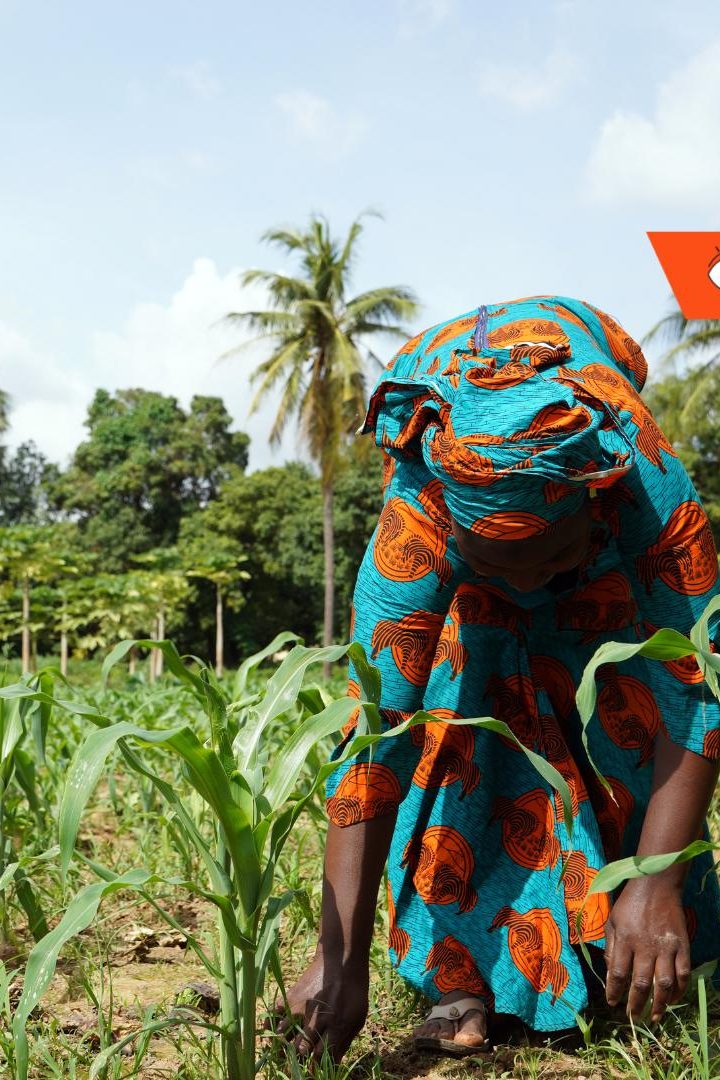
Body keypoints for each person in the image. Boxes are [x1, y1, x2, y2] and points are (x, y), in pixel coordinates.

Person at [280, 295, 720, 1062]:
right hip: (480, 601)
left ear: (591, 505)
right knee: (461, 724)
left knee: (626, 709)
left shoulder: (641, 481)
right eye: (504, 565)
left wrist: (653, 881)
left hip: (607, 582)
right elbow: (373, 741)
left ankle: (638, 927)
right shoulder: (419, 520)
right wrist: (336, 955)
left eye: (551, 556)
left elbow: (701, 684)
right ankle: (466, 974)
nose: (535, 582)